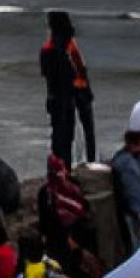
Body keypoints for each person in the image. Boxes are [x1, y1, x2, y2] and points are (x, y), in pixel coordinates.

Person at [41, 13, 95, 165]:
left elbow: (49, 75)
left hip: (63, 95)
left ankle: (64, 167)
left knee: (61, 137)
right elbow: (80, 67)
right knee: (79, 133)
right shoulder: (67, 44)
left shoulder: (50, 48)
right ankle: (87, 162)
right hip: (73, 92)